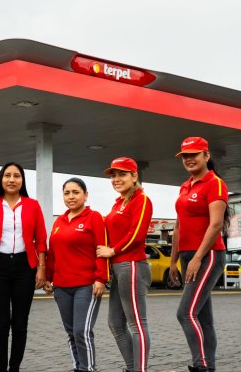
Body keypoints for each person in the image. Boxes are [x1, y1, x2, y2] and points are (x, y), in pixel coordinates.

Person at [0, 162, 48, 372]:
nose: (11, 179)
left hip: (24, 267)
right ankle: (1, 369)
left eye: (16, 176)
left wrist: (42, 268)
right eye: (7, 175)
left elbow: (41, 240)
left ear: (22, 180)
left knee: (20, 323)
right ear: (1, 179)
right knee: (1, 324)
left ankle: (14, 367)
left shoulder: (33, 205)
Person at [168, 137, 228, 372]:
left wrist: (197, 258)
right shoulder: (185, 186)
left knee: (185, 313)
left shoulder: (215, 183)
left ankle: (201, 365)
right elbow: (178, 227)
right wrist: (173, 261)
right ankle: (208, 365)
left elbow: (215, 225)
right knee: (202, 317)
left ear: (206, 155)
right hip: (186, 255)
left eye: (194, 154)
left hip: (209, 255)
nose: (189, 159)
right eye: (185, 156)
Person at [45, 177, 109, 372]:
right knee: (71, 332)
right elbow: (52, 254)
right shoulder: (59, 221)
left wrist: (100, 279)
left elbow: (101, 249)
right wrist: (48, 277)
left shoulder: (94, 217)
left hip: (86, 285)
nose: (71, 196)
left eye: (76, 192)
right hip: (62, 287)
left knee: (82, 331)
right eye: (67, 193)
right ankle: (78, 366)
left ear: (85, 195)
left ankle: (88, 369)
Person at [96, 156, 153, 372]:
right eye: (113, 175)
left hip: (132, 265)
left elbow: (136, 234)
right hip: (119, 269)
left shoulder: (141, 200)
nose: (116, 179)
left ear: (134, 176)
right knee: (115, 323)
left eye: (122, 174)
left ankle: (139, 369)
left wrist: (113, 250)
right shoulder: (118, 203)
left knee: (137, 324)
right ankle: (133, 367)